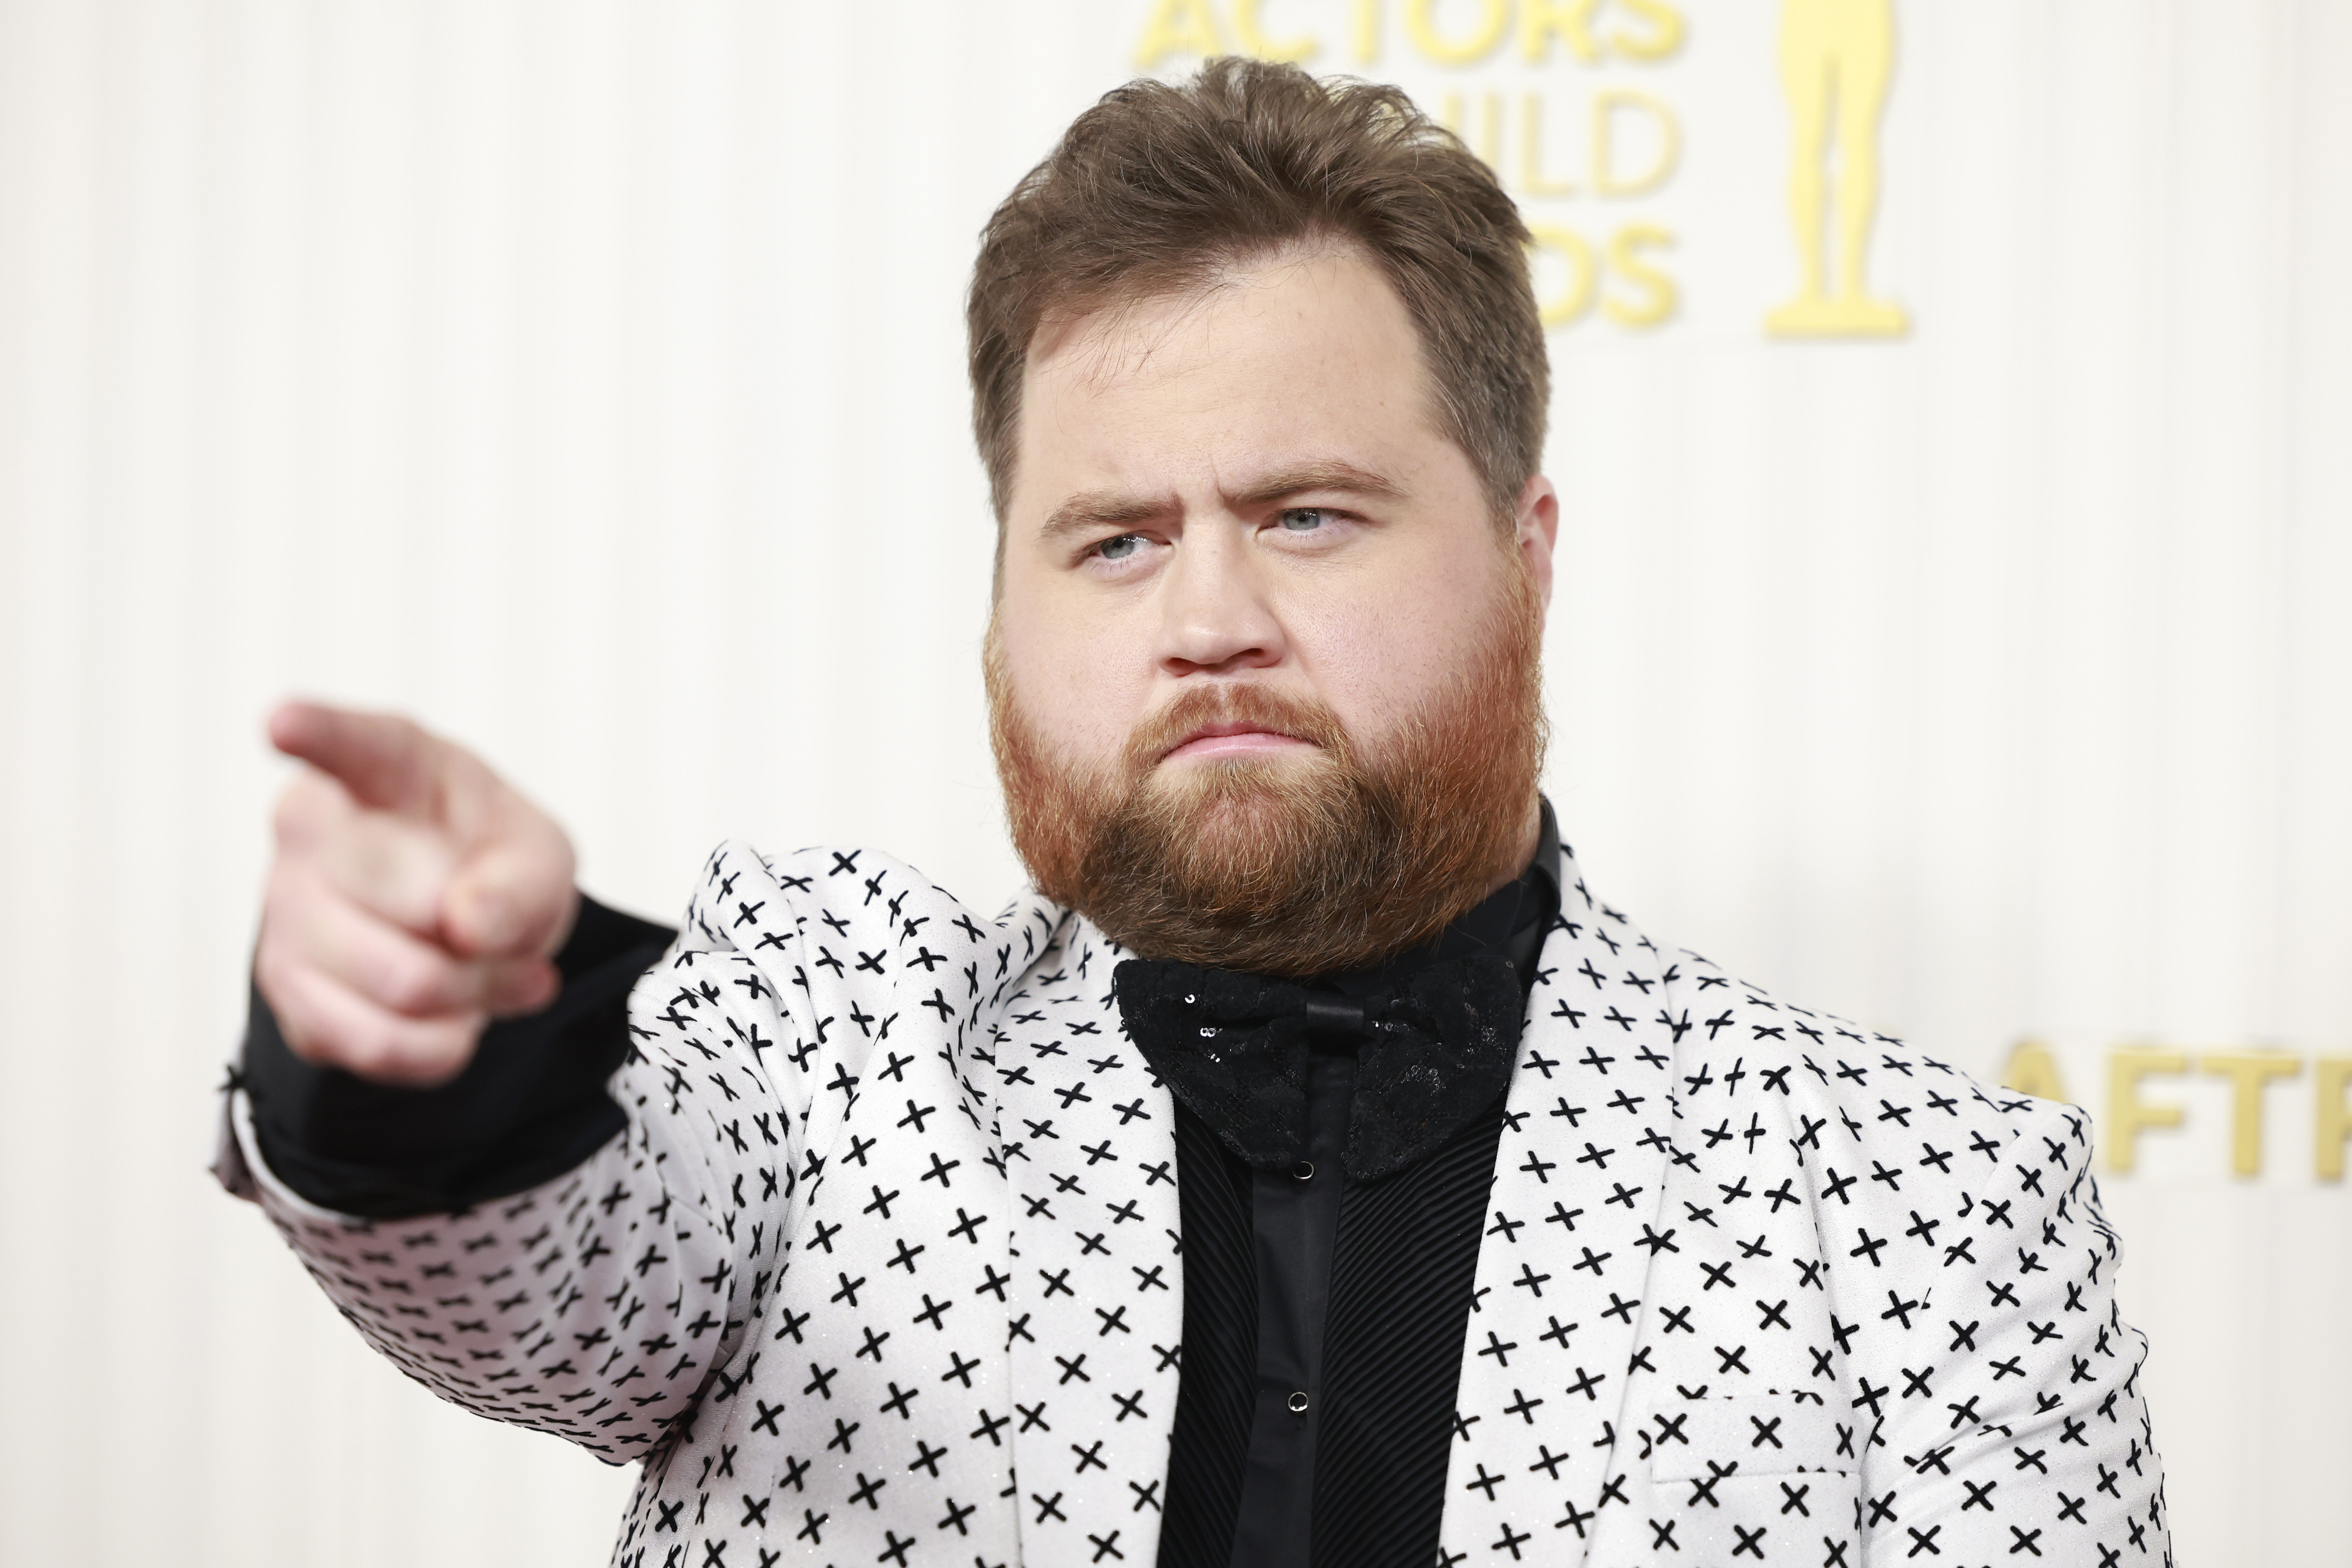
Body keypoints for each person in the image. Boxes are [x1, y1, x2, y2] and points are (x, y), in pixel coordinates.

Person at [218, 59, 2167, 1568]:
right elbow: (550, 1276)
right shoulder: (826, 1046)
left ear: (1525, 554)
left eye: (1307, 514)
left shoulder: (1930, 1212)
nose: (1212, 624)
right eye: (1115, 540)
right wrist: (426, 1055)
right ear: (1006, 598)